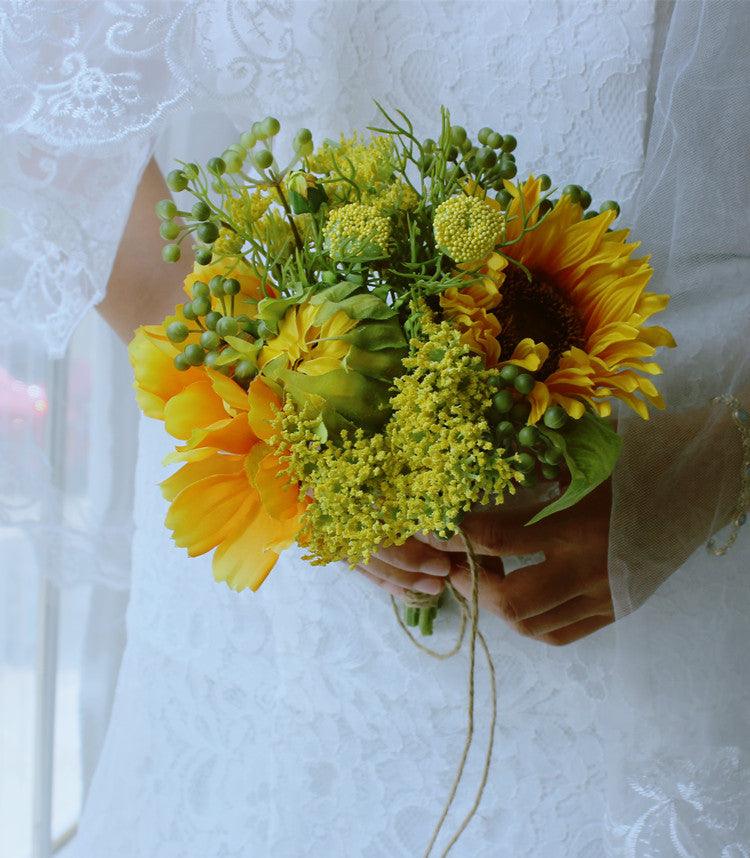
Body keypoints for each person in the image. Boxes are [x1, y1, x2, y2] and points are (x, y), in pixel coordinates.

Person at [5, 1, 747, 855]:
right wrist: (281, 414)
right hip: (272, 602)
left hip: (665, 562)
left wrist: (710, 466)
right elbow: (48, 126)